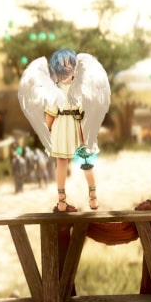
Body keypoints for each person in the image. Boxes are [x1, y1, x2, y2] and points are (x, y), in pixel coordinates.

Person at [18, 48, 111, 212]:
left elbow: (51, 115)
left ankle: (71, 200)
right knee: (80, 162)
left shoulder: (62, 90)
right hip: (72, 125)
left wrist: (46, 131)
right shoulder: (73, 90)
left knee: (73, 162)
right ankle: (88, 198)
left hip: (67, 126)